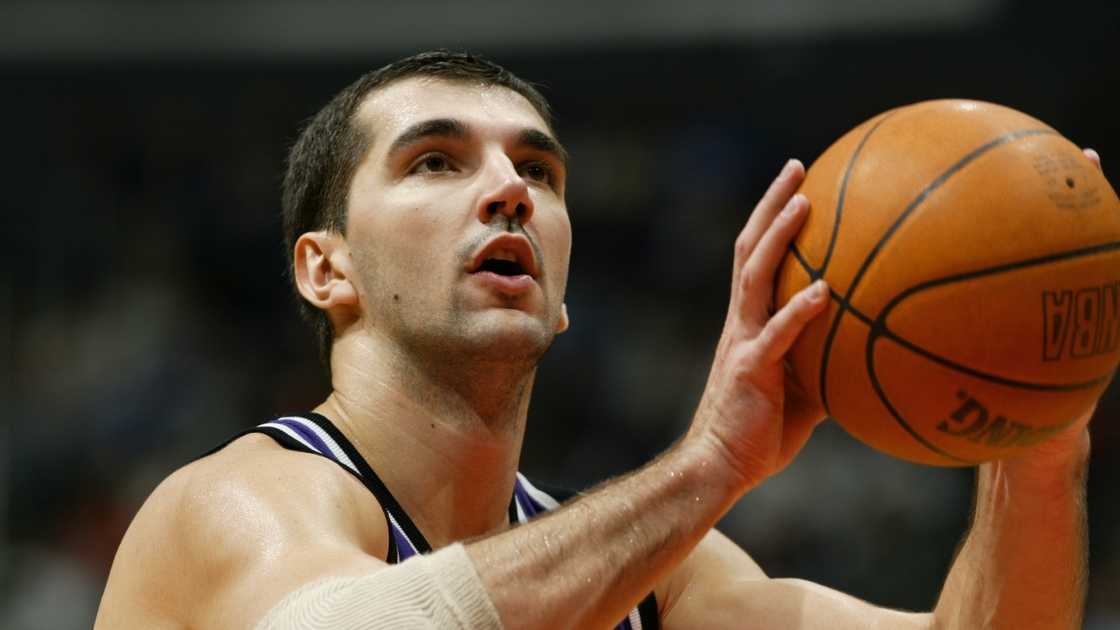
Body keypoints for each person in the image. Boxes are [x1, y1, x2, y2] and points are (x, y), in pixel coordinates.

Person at [95, 50, 1096, 629]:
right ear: (327, 268)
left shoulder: (654, 582)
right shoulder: (237, 499)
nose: (508, 191)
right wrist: (707, 466)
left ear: (564, 288)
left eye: (539, 171)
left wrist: (1038, 437)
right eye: (435, 161)